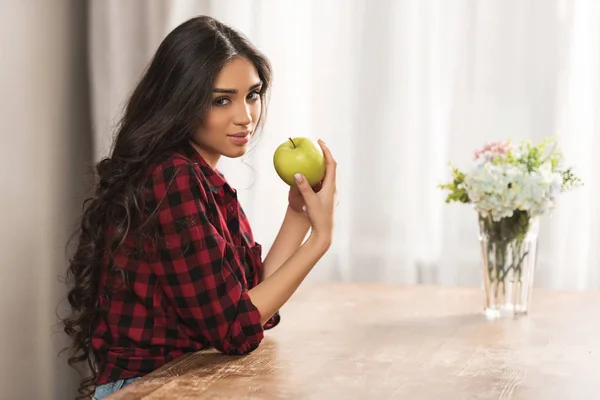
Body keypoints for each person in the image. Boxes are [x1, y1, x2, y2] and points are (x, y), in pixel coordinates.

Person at [61, 15, 337, 400]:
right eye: (221, 100)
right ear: (182, 100)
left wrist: (299, 215)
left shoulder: (199, 177)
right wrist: (320, 240)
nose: (246, 117)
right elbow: (234, 327)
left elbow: (250, 301)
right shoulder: (173, 179)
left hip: (184, 381)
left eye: (253, 95)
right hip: (147, 390)